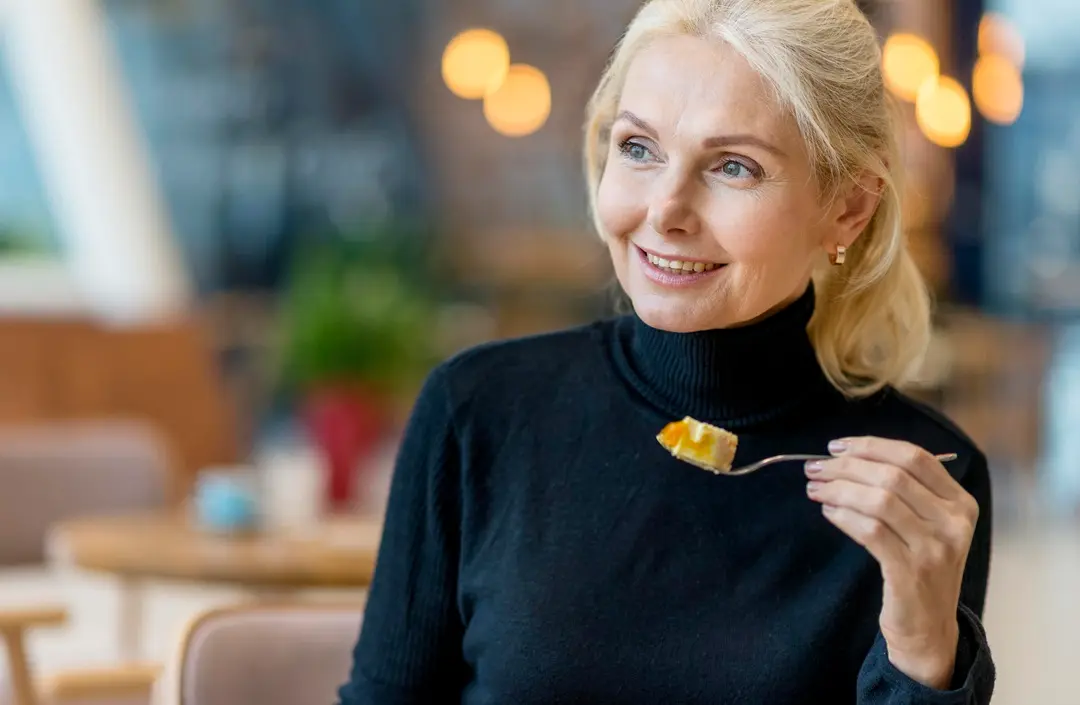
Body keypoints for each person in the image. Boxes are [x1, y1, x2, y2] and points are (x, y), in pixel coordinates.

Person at [338, 0, 995, 702]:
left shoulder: (924, 487)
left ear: (849, 206)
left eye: (734, 166)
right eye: (639, 149)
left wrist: (927, 650)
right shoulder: (476, 413)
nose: (665, 210)